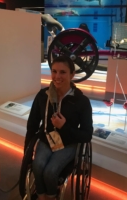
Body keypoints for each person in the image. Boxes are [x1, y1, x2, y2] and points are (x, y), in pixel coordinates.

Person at [24, 55, 93, 200]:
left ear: (72, 74)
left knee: (50, 171)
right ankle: (42, 196)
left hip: (69, 142)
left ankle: (52, 196)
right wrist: (27, 153)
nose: (57, 76)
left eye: (63, 72)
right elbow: (32, 125)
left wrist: (64, 127)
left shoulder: (81, 101)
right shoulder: (43, 95)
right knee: (37, 166)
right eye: (54, 71)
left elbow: (87, 134)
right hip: (46, 139)